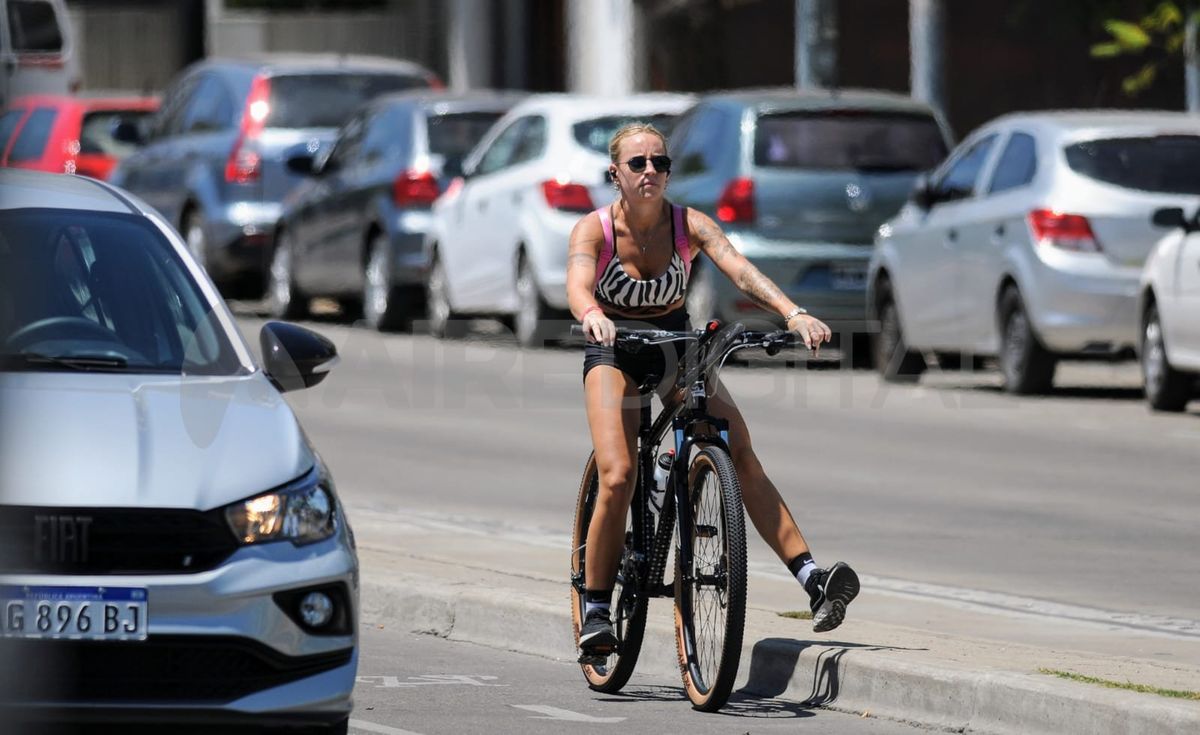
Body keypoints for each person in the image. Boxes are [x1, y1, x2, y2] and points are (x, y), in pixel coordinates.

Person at [566, 122, 860, 654]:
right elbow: (578, 282)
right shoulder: (594, 229)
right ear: (616, 174)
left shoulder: (689, 224)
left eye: (661, 162)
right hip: (614, 347)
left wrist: (793, 313)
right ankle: (595, 608)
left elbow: (739, 269)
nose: (651, 171)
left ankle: (813, 579)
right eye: (639, 164)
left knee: (737, 448)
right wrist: (591, 313)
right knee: (620, 473)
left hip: (675, 344)